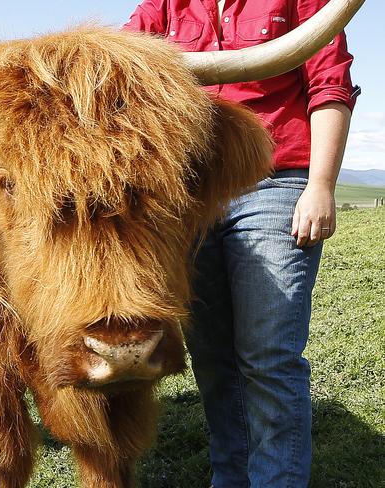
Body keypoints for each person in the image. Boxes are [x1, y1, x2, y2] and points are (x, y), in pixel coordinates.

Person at [123, 1, 358, 486]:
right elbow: (116, 54)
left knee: (268, 354)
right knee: (212, 357)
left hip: (274, 182)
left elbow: (329, 85)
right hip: (193, 194)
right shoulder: (167, 4)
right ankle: (230, 477)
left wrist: (321, 186)